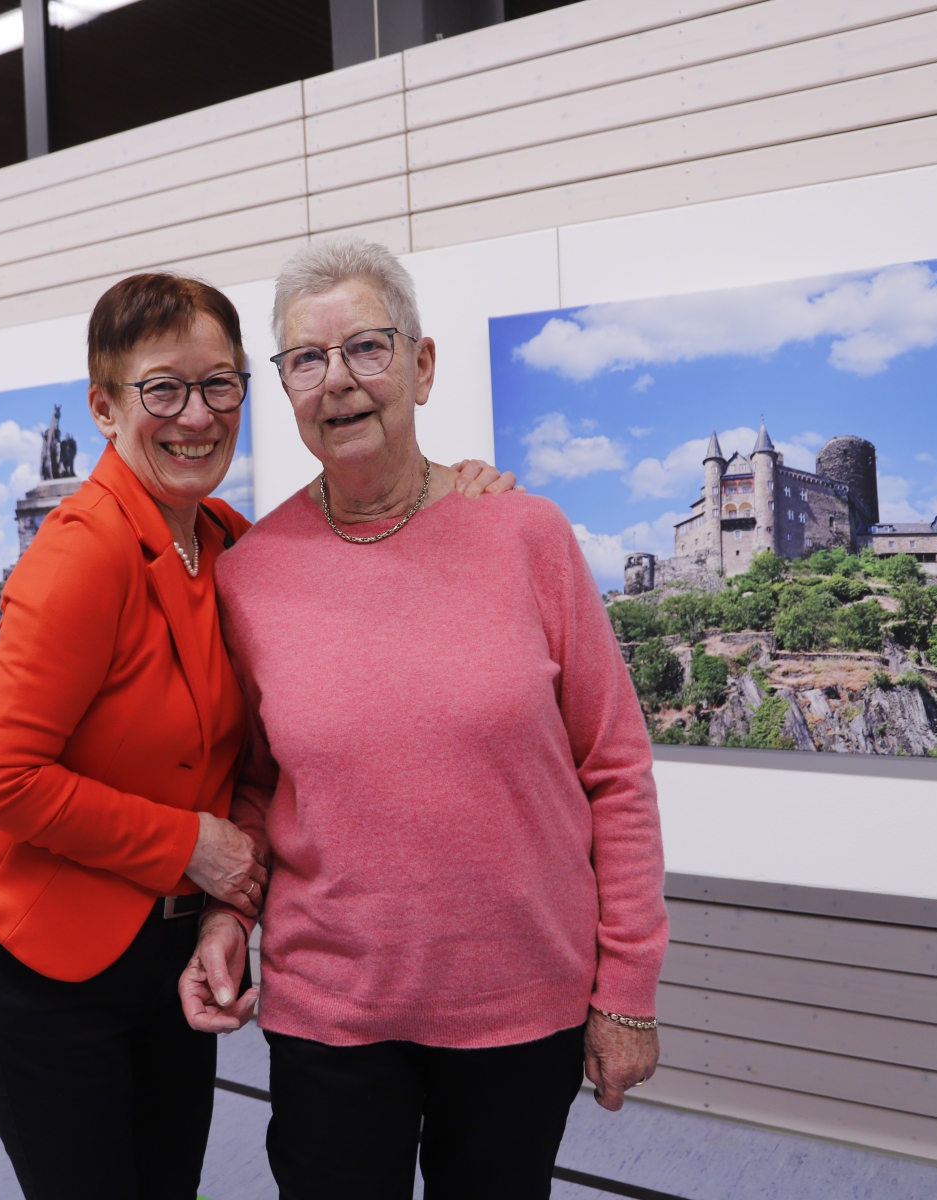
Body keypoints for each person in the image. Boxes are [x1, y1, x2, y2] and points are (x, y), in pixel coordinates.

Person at [0, 270, 516, 1200]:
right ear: (104, 407)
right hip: (46, 968)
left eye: (220, 384)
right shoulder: (81, 552)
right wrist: (191, 846)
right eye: (163, 389)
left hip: (169, 954)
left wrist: (458, 491)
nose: (197, 415)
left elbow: (351, 545)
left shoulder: (222, 540)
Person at [179, 237, 669, 1200]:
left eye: (367, 347)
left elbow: (615, 770)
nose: (338, 381)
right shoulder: (251, 576)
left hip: (521, 1005)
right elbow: (260, 783)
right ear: (287, 389)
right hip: (330, 1009)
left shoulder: (526, 535)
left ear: (422, 365)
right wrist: (227, 913)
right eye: (306, 359)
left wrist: (628, 993)